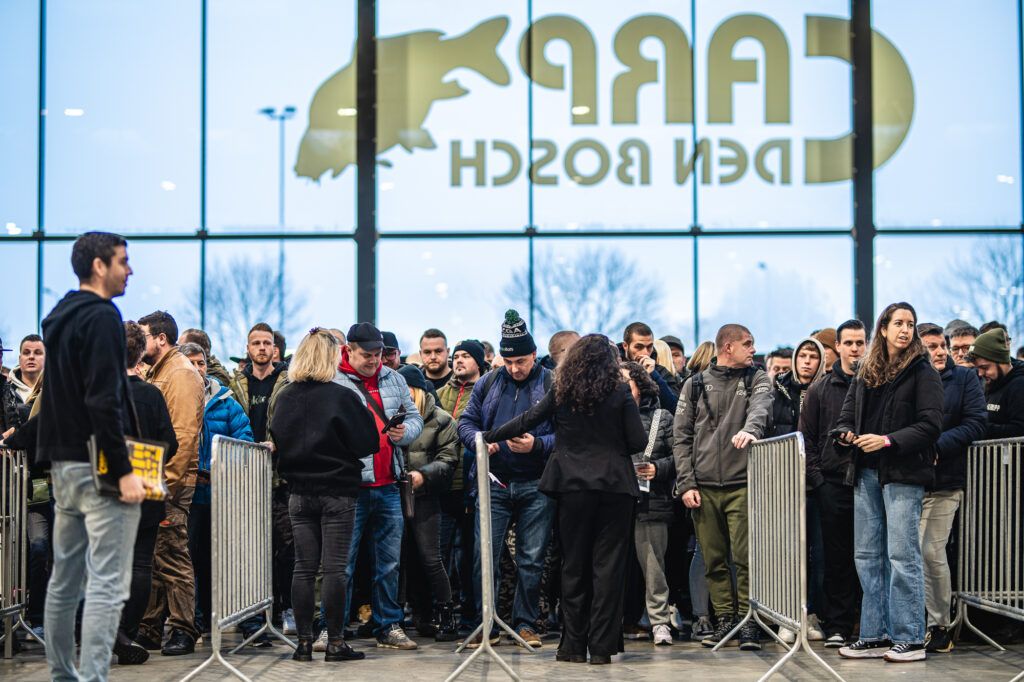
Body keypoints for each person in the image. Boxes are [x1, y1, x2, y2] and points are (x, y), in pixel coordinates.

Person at [484, 335, 648, 665]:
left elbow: (526, 420)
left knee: (573, 566)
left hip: (571, 486)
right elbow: (637, 441)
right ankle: (601, 649)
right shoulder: (618, 392)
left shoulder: (562, 391)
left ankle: (572, 646)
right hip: (615, 488)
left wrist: (487, 436)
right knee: (608, 568)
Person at [28, 232, 148, 681]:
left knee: (65, 579)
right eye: (123, 261)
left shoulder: (59, 317)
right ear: (99, 266)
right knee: (107, 584)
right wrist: (123, 471)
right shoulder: (101, 316)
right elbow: (103, 399)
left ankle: (63, 674)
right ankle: (93, 677)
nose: (129, 270)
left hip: (64, 466)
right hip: (99, 467)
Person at [835, 302, 943, 663]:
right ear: (883, 328)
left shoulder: (923, 371)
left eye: (910, 324)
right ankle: (875, 634)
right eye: (899, 323)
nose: (905, 329)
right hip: (865, 472)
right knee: (866, 557)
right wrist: (846, 435)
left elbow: (930, 426)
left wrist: (887, 440)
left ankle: (910, 637)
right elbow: (845, 417)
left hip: (903, 472)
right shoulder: (866, 372)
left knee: (902, 556)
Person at [271, 328, 379, 663]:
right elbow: (368, 443)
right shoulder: (341, 396)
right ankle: (334, 643)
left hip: (298, 493)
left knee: (303, 568)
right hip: (337, 493)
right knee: (334, 569)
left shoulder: (285, 396)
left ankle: (304, 643)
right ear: (330, 356)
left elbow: (276, 438)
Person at [457, 310, 556, 649]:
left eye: (522, 361)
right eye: (509, 361)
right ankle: (485, 623)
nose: (515, 368)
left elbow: (569, 433)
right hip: (492, 482)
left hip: (537, 483)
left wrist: (538, 445)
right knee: (484, 556)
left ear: (534, 354)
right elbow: (465, 423)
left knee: (532, 558)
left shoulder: (550, 383)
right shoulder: (488, 382)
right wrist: (481, 442)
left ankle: (525, 623)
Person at [674, 324, 772, 651]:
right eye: (748, 343)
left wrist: (752, 430)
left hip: (741, 483)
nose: (753, 349)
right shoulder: (695, 384)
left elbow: (761, 408)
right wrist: (686, 482)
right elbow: (681, 438)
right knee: (713, 560)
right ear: (727, 347)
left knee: (745, 558)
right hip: (703, 486)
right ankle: (725, 620)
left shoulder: (755, 377)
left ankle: (748, 623)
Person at [334, 322, 424, 650]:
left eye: (378, 355)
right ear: (349, 350)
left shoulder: (395, 379)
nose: (374, 361)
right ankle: (334, 629)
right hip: (351, 487)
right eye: (367, 355)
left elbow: (415, 418)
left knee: (389, 563)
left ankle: (389, 626)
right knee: (342, 563)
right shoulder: (334, 381)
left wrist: (407, 433)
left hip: (388, 485)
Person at [136, 310, 205, 656]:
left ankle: (182, 628)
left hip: (170, 481)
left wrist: (167, 484)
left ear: (160, 339)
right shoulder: (160, 372)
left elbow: (183, 436)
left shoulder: (180, 375)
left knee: (173, 554)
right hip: (156, 478)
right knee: (156, 554)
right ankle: (150, 625)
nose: (139, 341)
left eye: (144, 335)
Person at [916, 323, 987, 653]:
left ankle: (940, 623)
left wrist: (936, 448)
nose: (941, 351)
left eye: (942, 344)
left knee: (931, 550)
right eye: (931, 346)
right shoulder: (910, 379)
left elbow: (975, 422)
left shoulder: (965, 378)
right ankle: (913, 622)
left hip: (947, 481)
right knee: (908, 552)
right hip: (909, 480)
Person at [114, 321, 179, 666]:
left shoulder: (99, 392)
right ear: (141, 352)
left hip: (105, 489)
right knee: (141, 565)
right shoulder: (151, 394)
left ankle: (106, 631)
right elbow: (171, 442)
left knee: (104, 564)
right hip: (147, 488)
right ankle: (126, 630)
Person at [801, 319, 868, 648]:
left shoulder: (876, 384)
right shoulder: (819, 390)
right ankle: (838, 625)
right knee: (835, 559)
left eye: (860, 342)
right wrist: (818, 480)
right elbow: (808, 440)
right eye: (850, 343)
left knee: (870, 557)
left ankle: (867, 624)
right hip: (832, 483)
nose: (855, 348)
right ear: (837, 347)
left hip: (870, 481)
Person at [180, 341, 253, 639]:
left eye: (201, 362)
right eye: (191, 363)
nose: (198, 368)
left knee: (226, 559)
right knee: (191, 560)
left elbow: (244, 439)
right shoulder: (175, 398)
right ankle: (194, 622)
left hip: (223, 495)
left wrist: (220, 467)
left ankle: (233, 618)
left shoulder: (227, 401)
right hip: (187, 496)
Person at [229, 322, 293, 635]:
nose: (262, 348)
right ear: (248, 348)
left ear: (274, 347)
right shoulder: (236, 383)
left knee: (286, 548)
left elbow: (295, 421)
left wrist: (279, 442)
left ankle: (285, 609)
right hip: (244, 477)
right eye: (256, 343)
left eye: (267, 343)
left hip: (281, 477)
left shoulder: (288, 381)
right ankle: (253, 619)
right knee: (249, 550)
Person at [397, 364, 460, 641]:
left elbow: (448, 461)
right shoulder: (394, 420)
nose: (405, 397)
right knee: (397, 561)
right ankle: (404, 617)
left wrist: (422, 475)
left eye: (409, 391)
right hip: (394, 497)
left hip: (426, 498)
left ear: (420, 391)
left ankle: (446, 614)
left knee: (431, 559)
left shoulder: (442, 420)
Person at [771, 335, 826, 644]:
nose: (807, 361)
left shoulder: (826, 389)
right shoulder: (777, 390)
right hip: (785, 482)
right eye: (802, 355)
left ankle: (812, 613)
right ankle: (788, 615)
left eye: (813, 356)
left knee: (818, 555)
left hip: (817, 483)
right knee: (788, 553)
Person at [622, 361, 676, 647]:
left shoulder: (662, 417)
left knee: (654, 566)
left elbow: (680, 455)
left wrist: (659, 468)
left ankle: (659, 622)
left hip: (651, 500)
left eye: (625, 382)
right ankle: (609, 621)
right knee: (610, 566)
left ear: (639, 385)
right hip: (615, 501)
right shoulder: (606, 416)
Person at [435, 338, 487, 628]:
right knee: (439, 554)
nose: (459, 360)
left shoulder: (486, 390)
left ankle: (470, 612)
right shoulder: (440, 394)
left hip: (472, 485)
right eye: (456, 356)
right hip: (444, 485)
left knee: (471, 555)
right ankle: (443, 610)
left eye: (466, 356)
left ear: (478, 361)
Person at [967, 327, 1024, 438]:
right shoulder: (989, 382)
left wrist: (980, 428)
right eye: (978, 368)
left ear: (1001, 361)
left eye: (985, 367)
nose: (980, 373)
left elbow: (1020, 430)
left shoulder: (1019, 385)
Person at [621, 321, 680, 411]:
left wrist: (654, 375)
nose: (645, 352)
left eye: (649, 347)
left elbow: (674, 408)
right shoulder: (614, 369)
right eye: (639, 347)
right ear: (625, 346)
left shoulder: (660, 372)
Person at [11, 334, 45, 403]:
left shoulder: (56, 390)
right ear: (20, 359)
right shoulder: (5, 393)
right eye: (26, 353)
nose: (31, 357)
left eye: (37, 353)